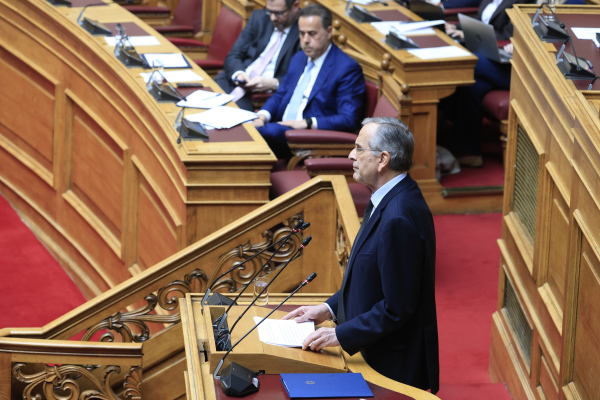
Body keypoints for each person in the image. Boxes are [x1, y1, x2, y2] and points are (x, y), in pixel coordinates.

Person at [283, 117, 439, 394]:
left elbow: (398, 307)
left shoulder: (399, 217)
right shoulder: (388, 198)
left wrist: (339, 334)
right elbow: (369, 279)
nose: (351, 155)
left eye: (359, 148)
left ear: (383, 160)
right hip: (372, 349)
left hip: (389, 364)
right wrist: (328, 309)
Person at [252, 4, 365, 159]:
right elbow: (281, 94)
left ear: (329, 32)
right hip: (280, 128)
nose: (305, 40)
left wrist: (307, 123)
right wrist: (262, 116)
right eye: (302, 33)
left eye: (312, 34)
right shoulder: (299, 58)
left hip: (307, 139)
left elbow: (348, 119)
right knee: (248, 126)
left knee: (258, 133)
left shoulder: (346, 68)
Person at [214, 0, 301, 112]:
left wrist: (274, 83)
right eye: (269, 11)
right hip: (233, 81)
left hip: (261, 96)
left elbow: (302, 76)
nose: (272, 18)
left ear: (295, 6)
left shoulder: (304, 31)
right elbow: (234, 54)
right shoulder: (259, 17)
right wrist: (239, 74)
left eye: (279, 13)